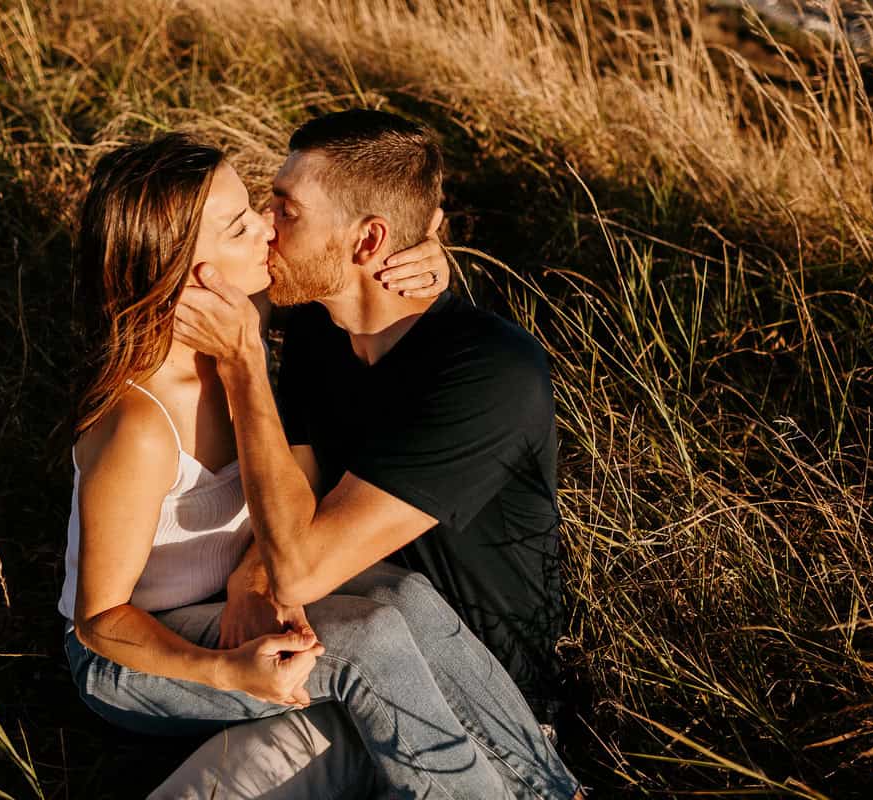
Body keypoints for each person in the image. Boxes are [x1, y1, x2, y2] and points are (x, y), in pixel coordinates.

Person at [61, 132, 581, 798]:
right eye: (245, 222)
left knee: (402, 595)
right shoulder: (143, 425)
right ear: (193, 272)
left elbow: (364, 273)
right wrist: (228, 674)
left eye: (274, 209)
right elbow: (98, 622)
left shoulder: (269, 323)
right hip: (135, 653)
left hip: (232, 610)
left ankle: (550, 788)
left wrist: (427, 251)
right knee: (367, 640)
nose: (266, 232)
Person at [176, 106, 571, 760]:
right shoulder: (315, 326)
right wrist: (252, 571)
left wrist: (243, 361)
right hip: (341, 650)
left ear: (367, 242)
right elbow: (296, 483)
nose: (268, 226)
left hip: (474, 704)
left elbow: (300, 570)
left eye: (287, 209)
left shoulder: (490, 373)